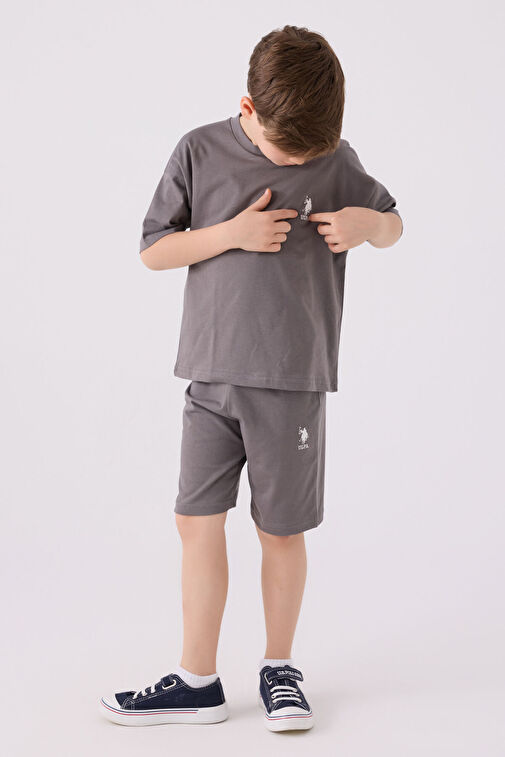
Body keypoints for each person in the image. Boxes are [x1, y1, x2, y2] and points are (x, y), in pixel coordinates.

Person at [99, 24, 403, 732]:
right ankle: (196, 679)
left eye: (311, 154)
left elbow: (393, 224)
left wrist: (366, 225)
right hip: (209, 377)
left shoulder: (335, 156)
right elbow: (153, 250)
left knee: (280, 530)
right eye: (285, 150)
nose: (300, 161)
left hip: (291, 383)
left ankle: (279, 668)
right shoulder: (199, 150)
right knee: (195, 520)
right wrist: (230, 235)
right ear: (247, 108)